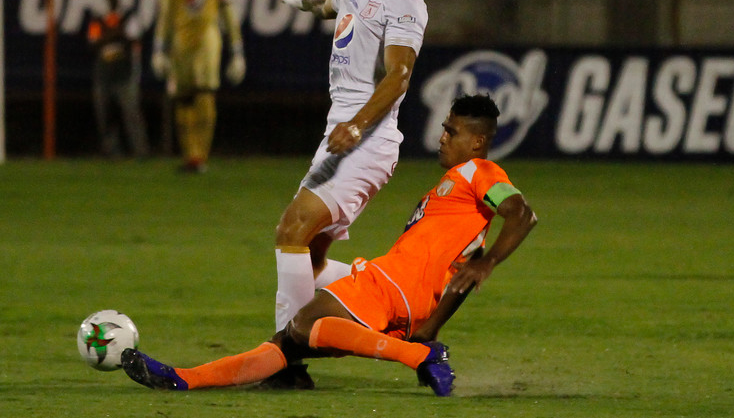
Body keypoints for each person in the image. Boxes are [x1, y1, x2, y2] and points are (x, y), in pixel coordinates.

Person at [121, 94, 538, 397]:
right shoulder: (456, 195)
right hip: (406, 301)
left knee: (302, 325)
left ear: (477, 142)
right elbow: (463, 269)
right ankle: (182, 379)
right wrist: (430, 330)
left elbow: (521, 212)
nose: (442, 136)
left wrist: (490, 265)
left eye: (452, 131)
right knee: (288, 342)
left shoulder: (479, 172)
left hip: (391, 286)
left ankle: (419, 357)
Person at [269, 0, 428, 384]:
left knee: (291, 229)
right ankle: (392, 309)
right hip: (341, 137)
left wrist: (357, 126)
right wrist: (301, 1)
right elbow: (332, 4)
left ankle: (287, 360)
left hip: (366, 140)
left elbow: (399, 76)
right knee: (309, 260)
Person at [151, 0, 246, 173]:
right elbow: (166, 12)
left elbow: (228, 11)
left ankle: (200, 156)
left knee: (204, 94)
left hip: (207, 38)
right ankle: (189, 155)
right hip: (181, 41)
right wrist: (159, 48)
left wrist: (237, 51)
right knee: (183, 98)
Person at [86, 0, 149, 158]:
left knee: (131, 111)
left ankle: (140, 151)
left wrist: (108, 36)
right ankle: (112, 152)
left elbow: (133, 39)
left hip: (125, 71)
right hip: (103, 71)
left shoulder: (130, 15)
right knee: (104, 112)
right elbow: (93, 43)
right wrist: (116, 34)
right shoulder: (99, 16)